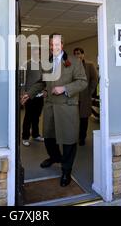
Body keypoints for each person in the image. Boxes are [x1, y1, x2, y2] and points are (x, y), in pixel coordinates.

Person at [21, 34, 87, 187]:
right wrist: (28, 94)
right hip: (50, 106)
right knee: (49, 138)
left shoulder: (75, 62)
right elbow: (41, 83)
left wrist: (65, 88)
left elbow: (82, 82)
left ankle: (66, 170)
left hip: (67, 106)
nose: (53, 47)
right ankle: (55, 157)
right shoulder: (47, 62)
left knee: (69, 140)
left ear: (62, 45)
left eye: (56, 44)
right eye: (51, 45)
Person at [73, 47, 98, 146]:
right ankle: (73, 136)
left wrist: (90, 92)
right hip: (74, 97)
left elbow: (94, 79)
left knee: (84, 119)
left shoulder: (89, 65)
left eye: (78, 53)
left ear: (83, 54)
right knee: (73, 119)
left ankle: (82, 137)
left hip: (85, 97)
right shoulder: (71, 65)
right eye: (75, 54)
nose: (77, 56)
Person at [21, 47, 44, 146]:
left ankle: (35, 135)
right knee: (28, 117)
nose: (36, 54)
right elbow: (22, 79)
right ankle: (25, 137)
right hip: (29, 95)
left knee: (36, 116)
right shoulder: (27, 64)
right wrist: (22, 93)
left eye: (38, 53)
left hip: (40, 95)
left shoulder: (43, 65)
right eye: (34, 52)